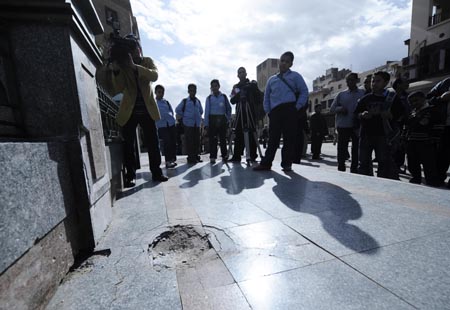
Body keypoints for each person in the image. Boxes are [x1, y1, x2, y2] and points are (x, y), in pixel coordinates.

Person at [107, 34, 168, 186]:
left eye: (134, 49)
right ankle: (130, 175)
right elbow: (119, 88)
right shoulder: (123, 65)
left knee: (153, 144)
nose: (133, 53)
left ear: (138, 49)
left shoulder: (147, 61)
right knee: (129, 144)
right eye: (130, 50)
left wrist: (135, 67)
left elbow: (154, 75)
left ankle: (156, 172)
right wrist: (116, 71)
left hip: (147, 110)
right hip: (130, 111)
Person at [253, 51, 309, 172]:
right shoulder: (272, 80)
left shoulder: (295, 76)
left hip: (290, 109)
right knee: (273, 138)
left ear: (291, 64)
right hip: (275, 112)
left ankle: (287, 164)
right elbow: (266, 97)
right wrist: (269, 111)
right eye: (282, 60)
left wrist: (297, 107)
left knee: (289, 138)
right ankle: (266, 163)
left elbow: (304, 92)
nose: (283, 63)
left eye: (287, 61)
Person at [354, 71, 404, 180]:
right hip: (366, 135)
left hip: (383, 136)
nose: (374, 84)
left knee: (384, 162)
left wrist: (390, 115)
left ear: (386, 83)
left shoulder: (392, 98)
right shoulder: (365, 99)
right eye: (373, 81)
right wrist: (362, 115)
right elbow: (356, 114)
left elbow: (401, 114)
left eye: (378, 81)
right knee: (364, 162)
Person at [330, 72, 365, 172]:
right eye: (348, 80)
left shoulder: (362, 93)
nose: (350, 82)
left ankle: (354, 168)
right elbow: (332, 109)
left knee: (355, 149)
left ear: (356, 80)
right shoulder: (341, 94)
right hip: (343, 125)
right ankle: (341, 167)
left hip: (356, 126)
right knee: (342, 148)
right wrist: (340, 109)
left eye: (352, 80)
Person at [405, 91, 440, 186]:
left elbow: (437, 127)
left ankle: (432, 184)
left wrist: (435, 140)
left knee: (429, 165)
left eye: (416, 100)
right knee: (412, 164)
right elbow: (408, 126)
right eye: (411, 102)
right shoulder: (412, 113)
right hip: (412, 142)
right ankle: (416, 179)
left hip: (426, 143)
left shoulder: (432, 110)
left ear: (423, 99)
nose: (414, 103)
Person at [229, 67, 264, 162]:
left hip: (250, 112)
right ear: (237, 75)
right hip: (240, 113)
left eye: (243, 72)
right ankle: (237, 156)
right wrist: (238, 94)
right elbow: (232, 100)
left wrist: (253, 88)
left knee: (252, 133)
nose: (241, 74)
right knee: (239, 134)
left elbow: (258, 98)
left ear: (246, 73)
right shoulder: (236, 87)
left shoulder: (251, 85)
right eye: (239, 72)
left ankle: (253, 155)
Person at [427, 77, 450, 188]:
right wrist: (441, 98)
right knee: (442, 154)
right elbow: (428, 100)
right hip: (445, 126)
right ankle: (439, 178)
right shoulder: (444, 83)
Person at [204, 79, 231, 163]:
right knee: (213, 139)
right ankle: (213, 156)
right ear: (211, 88)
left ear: (219, 86)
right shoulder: (209, 98)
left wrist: (228, 119)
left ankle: (224, 155)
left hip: (222, 119)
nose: (214, 88)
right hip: (212, 120)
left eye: (216, 86)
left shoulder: (224, 97)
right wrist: (206, 124)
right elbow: (206, 112)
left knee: (223, 139)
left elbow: (228, 108)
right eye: (212, 86)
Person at [175, 84, 203, 164]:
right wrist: (185, 117)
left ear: (196, 91)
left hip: (197, 124)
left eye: (194, 90)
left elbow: (201, 111)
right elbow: (177, 110)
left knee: (197, 141)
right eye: (191, 90)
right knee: (189, 142)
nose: (192, 92)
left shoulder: (198, 101)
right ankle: (191, 158)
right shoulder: (185, 101)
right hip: (188, 124)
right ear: (188, 91)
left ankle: (196, 156)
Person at [155, 84, 177, 169]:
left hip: (171, 124)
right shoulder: (154, 103)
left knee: (173, 142)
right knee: (167, 142)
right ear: (155, 92)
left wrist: (173, 120)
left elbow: (171, 110)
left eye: (162, 92)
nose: (161, 94)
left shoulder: (166, 102)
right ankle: (167, 161)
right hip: (161, 125)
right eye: (159, 92)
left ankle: (172, 160)